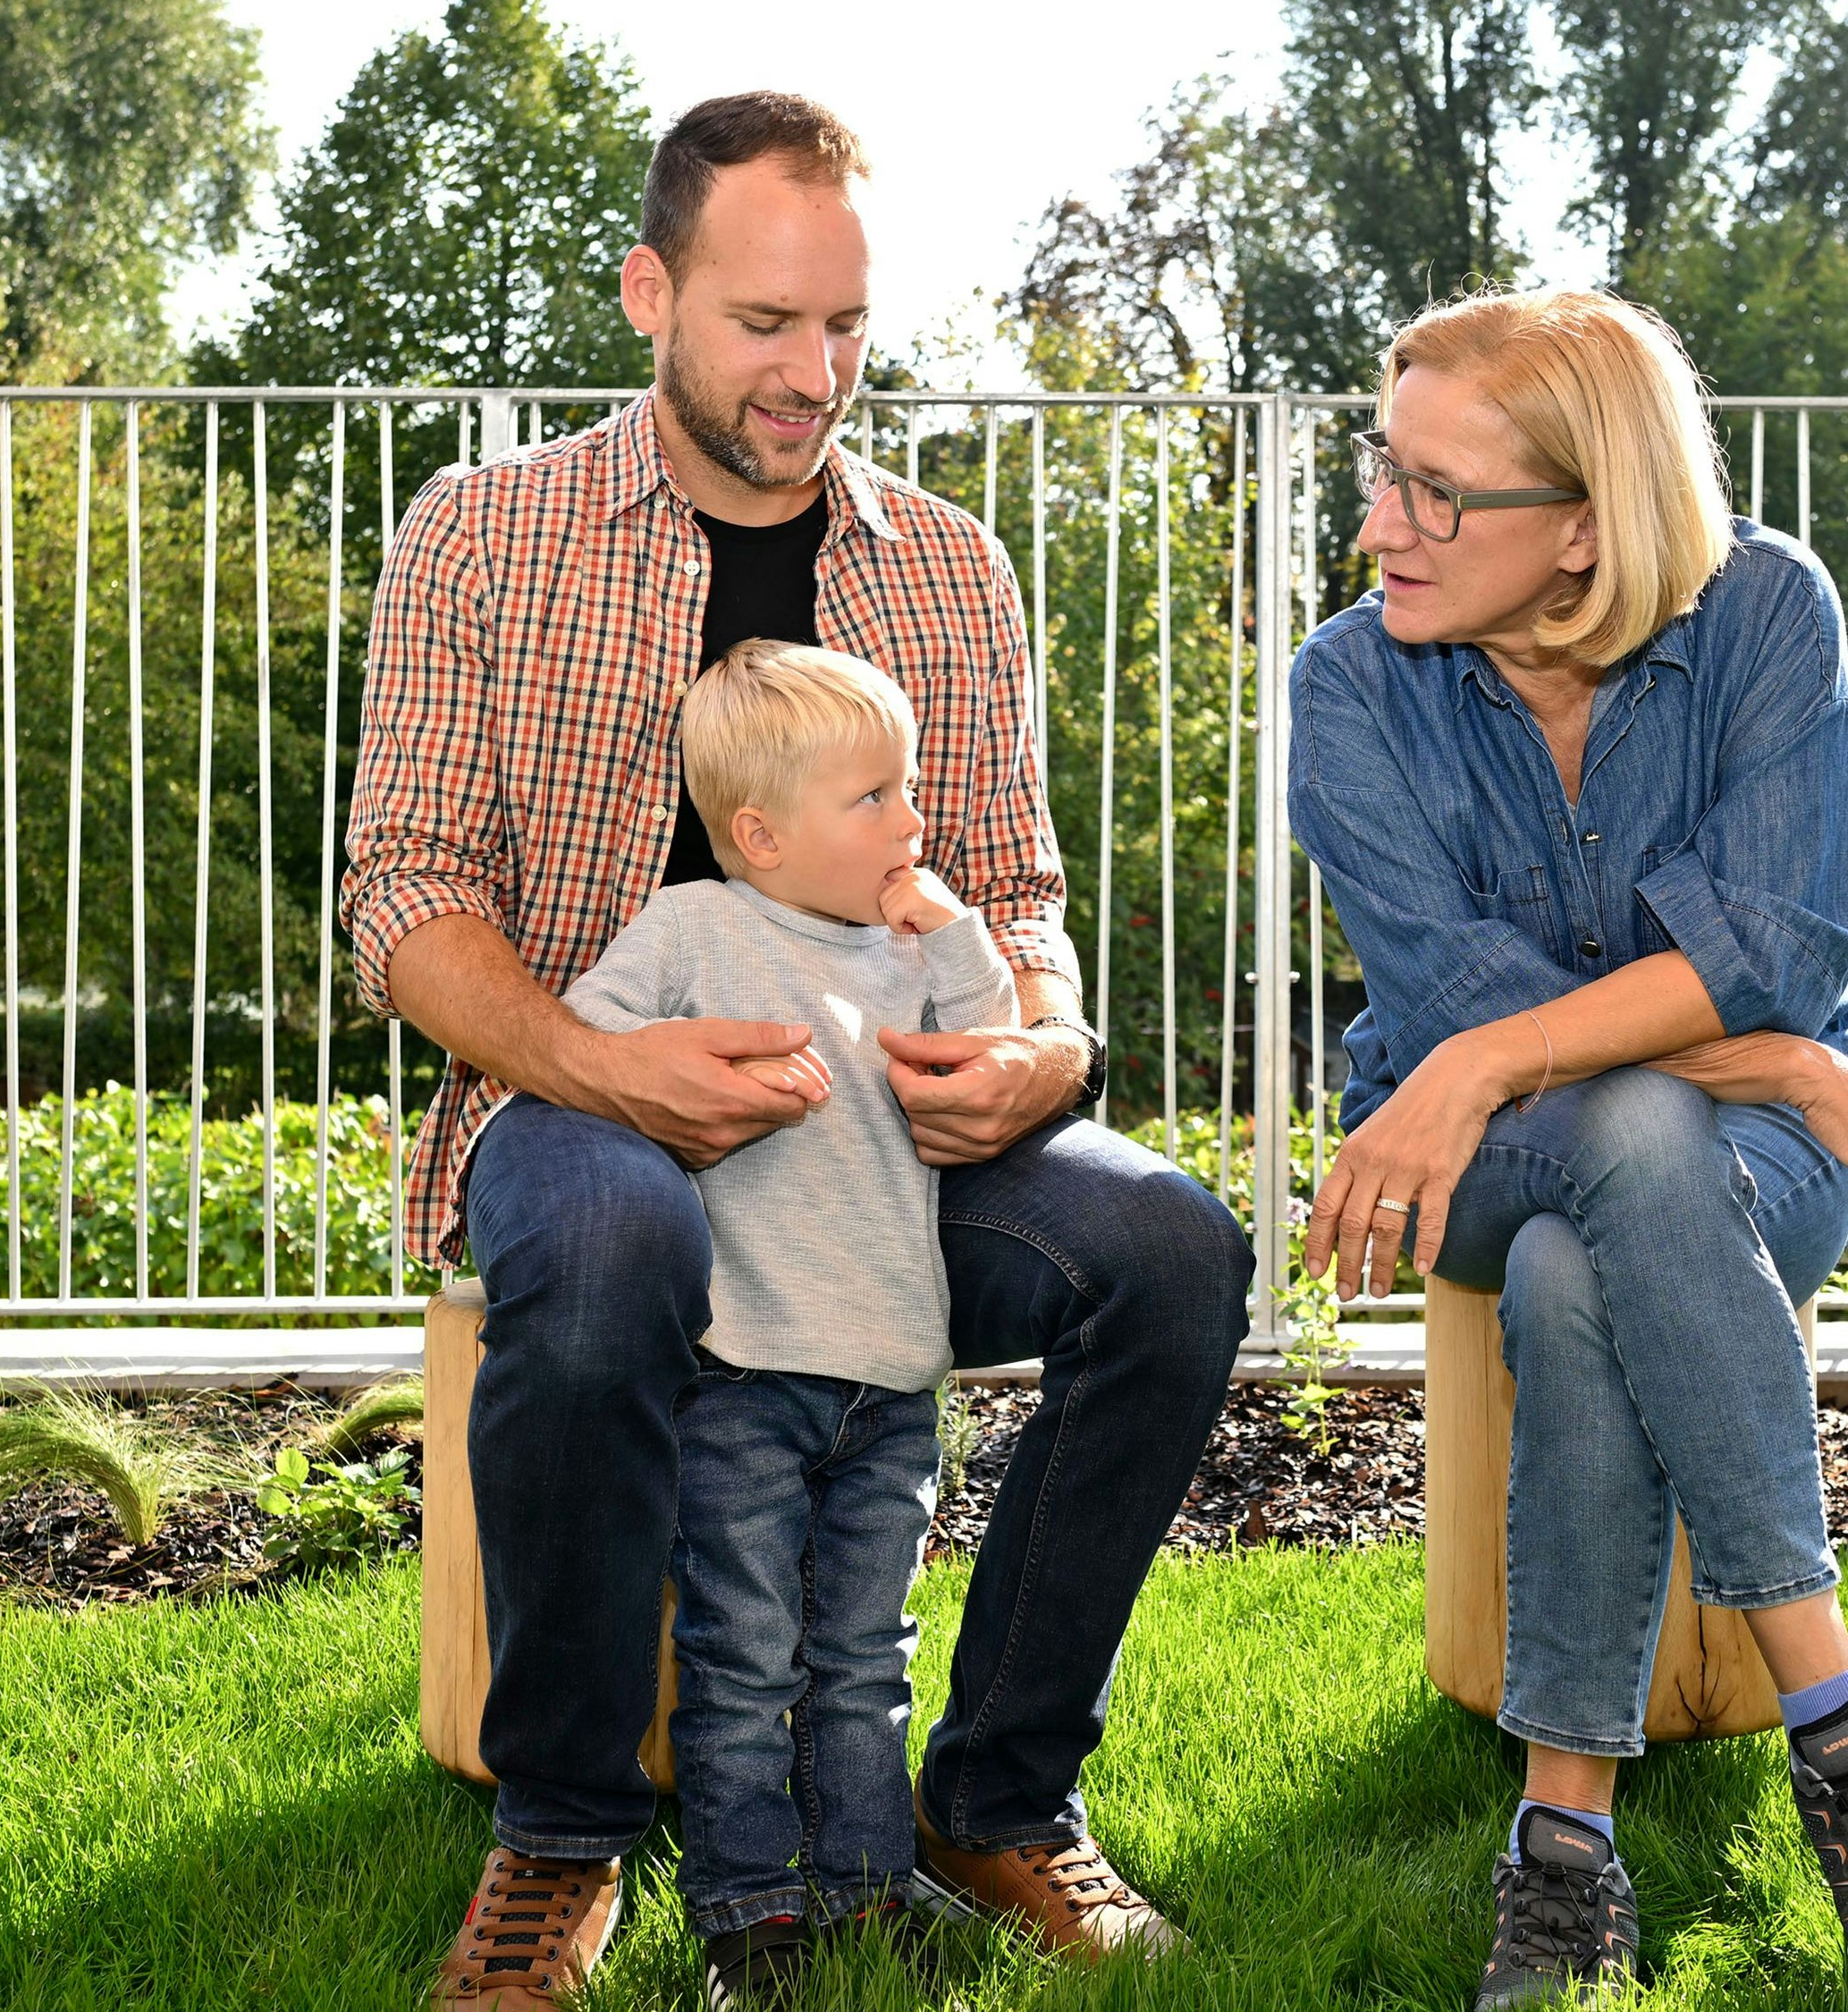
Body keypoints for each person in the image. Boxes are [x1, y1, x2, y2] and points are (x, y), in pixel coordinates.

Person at [339, 91, 1249, 2009]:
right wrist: (609, 1077)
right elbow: (405, 896)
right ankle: (562, 1839)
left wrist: (1046, 1054)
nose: (813, 373)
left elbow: (1011, 889)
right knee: (604, 1254)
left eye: (843, 327)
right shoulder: (480, 535)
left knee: (1169, 1248)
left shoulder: (946, 565)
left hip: (889, 1139)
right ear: (646, 293)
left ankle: (992, 1798)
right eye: (765, 325)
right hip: (585, 1108)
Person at [1287, 287, 1848, 2012]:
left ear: (1582, 532)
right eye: (1381, 471)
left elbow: (1775, 936)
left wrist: (1706, 1034)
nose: (1377, 524)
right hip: (1476, 1157)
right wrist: (1785, 1058)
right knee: (1607, 1134)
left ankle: (1563, 1853)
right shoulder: (1349, 687)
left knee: (1582, 1259)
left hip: (1748, 1164)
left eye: (1431, 493)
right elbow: (1478, 1006)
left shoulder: (1768, 612)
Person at [560, 639, 1017, 2008]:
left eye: (912, 787)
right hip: (749, 1369)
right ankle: (750, 1907)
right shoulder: (695, 929)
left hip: (892, 1375)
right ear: (759, 831)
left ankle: (871, 1880)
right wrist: (668, 1085)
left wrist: (956, 934)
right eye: (874, 797)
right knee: (744, 1651)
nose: (911, 819)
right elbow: (596, 1040)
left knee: (865, 1653)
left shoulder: (902, 949)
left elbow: (990, 1037)